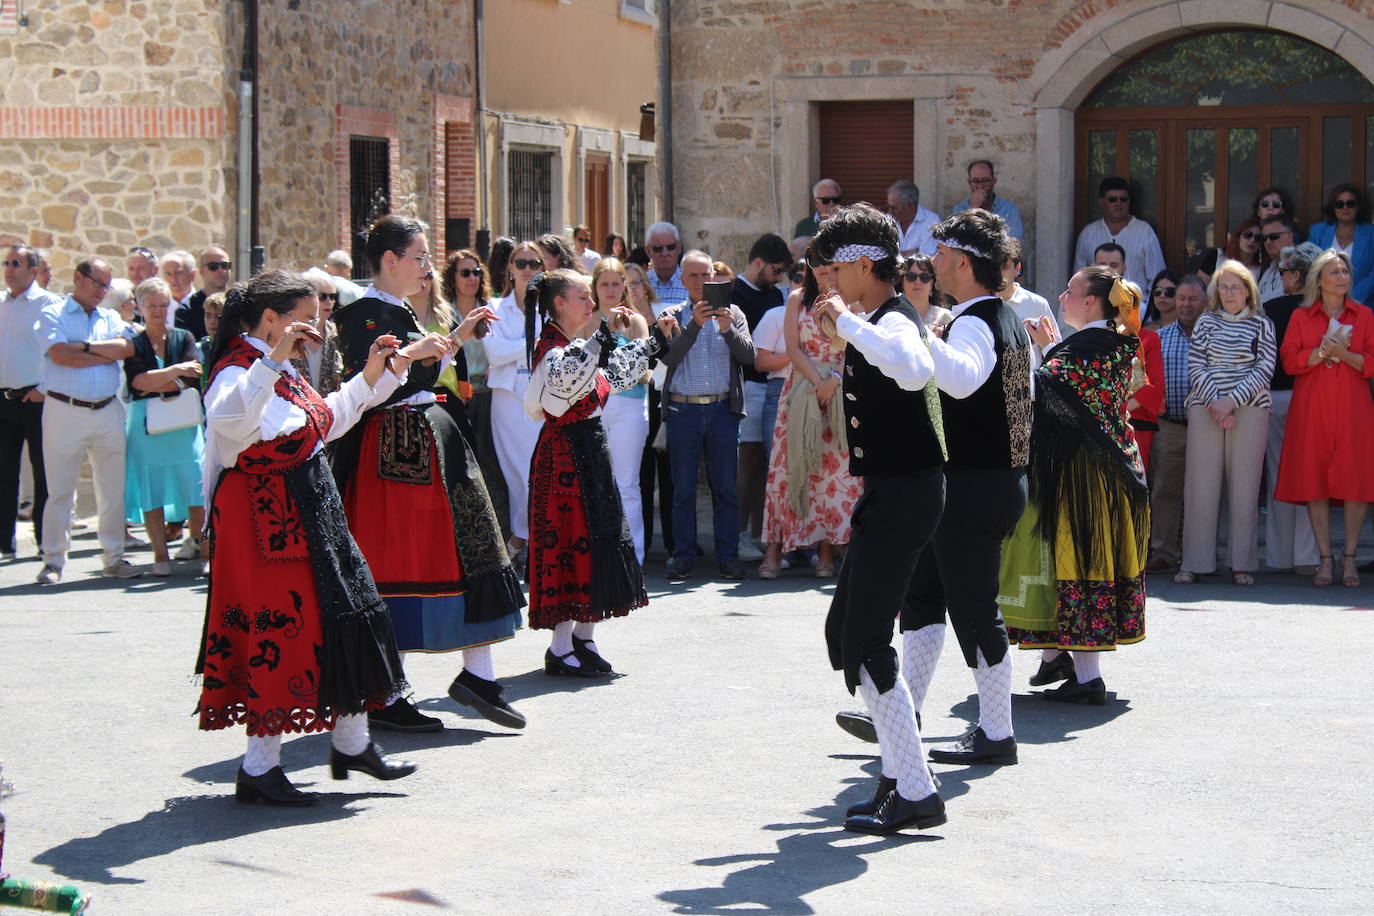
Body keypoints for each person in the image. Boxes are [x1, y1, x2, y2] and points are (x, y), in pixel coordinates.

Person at [197, 268, 417, 806]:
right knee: (282, 635)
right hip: (264, 527)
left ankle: (352, 742)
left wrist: (377, 373)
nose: (314, 327)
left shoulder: (282, 372)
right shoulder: (237, 370)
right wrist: (273, 362)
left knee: (344, 617)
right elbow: (229, 421)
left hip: (312, 514)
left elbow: (325, 422)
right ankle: (258, 767)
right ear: (271, 319)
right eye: (303, 317)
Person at [330, 215, 525, 733]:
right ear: (390, 261)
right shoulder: (363, 315)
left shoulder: (396, 310)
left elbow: (421, 373)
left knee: (473, 546)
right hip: (393, 455)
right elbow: (364, 387)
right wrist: (418, 356)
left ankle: (477, 675)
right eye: (419, 257)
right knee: (402, 562)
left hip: (427, 441)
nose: (428, 267)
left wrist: (452, 340)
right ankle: (386, 692)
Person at [807, 203, 946, 834]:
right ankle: (901, 774)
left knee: (864, 641)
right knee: (847, 632)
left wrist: (848, 327)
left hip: (907, 493)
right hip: (892, 493)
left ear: (865, 265)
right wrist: (846, 328)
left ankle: (913, 788)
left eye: (835, 268)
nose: (827, 281)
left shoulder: (894, 321)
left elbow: (914, 368)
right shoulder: (876, 319)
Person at [903, 209, 1031, 766]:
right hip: (983, 482)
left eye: (938, 258)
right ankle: (902, 712)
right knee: (925, 594)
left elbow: (960, 381)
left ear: (960, 263)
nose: (931, 267)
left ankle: (997, 733)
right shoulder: (999, 317)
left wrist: (919, 336)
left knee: (975, 607)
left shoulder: (977, 321)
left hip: (977, 485)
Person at [1004, 267, 1149, 704]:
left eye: (1071, 290)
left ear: (1090, 301)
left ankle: (1086, 678)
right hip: (1109, 467)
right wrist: (1052, 348)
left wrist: (1044, 349)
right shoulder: (1118, 342)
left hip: (1085, 474)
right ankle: (1058, 658)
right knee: (1071, 562)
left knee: (1078, 562)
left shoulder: (1089, 344)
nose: (1062, 296)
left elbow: (1047, 391)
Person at [523, 269, 663, 676]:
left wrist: (655, 341)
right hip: (564, 456)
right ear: (560, 304)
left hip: (590, 450)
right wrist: (601, 339)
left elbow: (611, 377)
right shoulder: (550, 347)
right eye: (582, 297)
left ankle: (585, 637)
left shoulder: (576, 343)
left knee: (597, 541)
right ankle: (561, 646)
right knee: (570, 546)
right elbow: (565, 386)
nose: (591, 304)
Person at [34, 258, 139, 585]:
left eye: (106, 285)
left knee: (112, 490)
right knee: (60, 490)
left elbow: (126, 349)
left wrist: (85, 347)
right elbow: (60, 355)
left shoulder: (109, 316)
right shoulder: (54, 313)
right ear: (79, 278)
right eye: (98, 283)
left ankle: (113, 556)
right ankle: (53, 560)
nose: (102, 291)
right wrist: (100, 353)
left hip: (106, 410)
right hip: (65, 410)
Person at [1275, 250, 1374, 588]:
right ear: (1319, 279)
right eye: (1334, 271)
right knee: (1315, 480)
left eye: (1345, 270)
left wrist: (1343, 354)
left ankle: (1349, 558)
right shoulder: (1302, 317)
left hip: (1353, 408)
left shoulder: (1364, 315)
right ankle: (1325, 559)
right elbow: (1288, 362)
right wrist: (1319, 353)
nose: (1342, 276)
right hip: (1312, 407)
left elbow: (1372, 362)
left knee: (1355, 483)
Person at [1174, 260, 1276, 586]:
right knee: (1200, 487)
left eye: (1236, 287)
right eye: (1224, 287)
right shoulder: (1205, 322)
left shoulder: (1262, 324)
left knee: (1245, 488)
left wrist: (1231, 402)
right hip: (1205, 406)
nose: (1230, 293)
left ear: (1249, 290)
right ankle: (1195, 562)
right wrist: (1216, 403)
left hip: (1250, 408)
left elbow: (1265, 368)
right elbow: (1196, 364)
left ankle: (1242, 563)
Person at [657, 249, 757, 581]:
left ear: (715, 276)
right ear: (683, 281)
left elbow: (749, 357)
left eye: (707, 274)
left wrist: (727, 329)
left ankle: (727, 555)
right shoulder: (672, 315)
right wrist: (694, 327)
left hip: (722, 409)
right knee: (683, 488)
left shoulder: (734, 313)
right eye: (694, 276)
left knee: (725, 488)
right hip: (683, 408)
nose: (702, 281)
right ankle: (684, 554)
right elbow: (669, 359)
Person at [759, 253, 859, 579]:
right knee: (789, 468)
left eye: (829, 263)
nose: (824, 269)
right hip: (802, 387)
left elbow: (857, 347)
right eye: (818, 263)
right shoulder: (797, 299)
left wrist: (835, 382)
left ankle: (826, 550)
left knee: (831, 472)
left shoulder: (849, 302)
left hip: (839, 388)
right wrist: (818, 382)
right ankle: (775, 548)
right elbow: (792, 347)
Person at [121, 278, 205, 577]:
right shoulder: (134, 342)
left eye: (162, 305)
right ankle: (160, 555)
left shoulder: (183, 336)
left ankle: (203, 551)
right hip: (146, 426)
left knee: (194, 485)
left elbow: (194, 373)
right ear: (140, 307)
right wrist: (174, 373)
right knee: (151, 489)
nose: (158, 311)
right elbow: (136, 382)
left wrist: (159, 381)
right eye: (151, 305)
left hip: (183, 424)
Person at [485, 239, 548, 566]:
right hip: (508, 400)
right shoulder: (495, 308)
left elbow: (553, 351)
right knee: (517, 474)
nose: (527, 270)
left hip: (543, 399)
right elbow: (493, 353)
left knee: (539, 472)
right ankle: (526, 537)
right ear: (510, 268)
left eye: (533, 264)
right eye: (520, 263)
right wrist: (532, 343)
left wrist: (518, 347)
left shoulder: (551, 308)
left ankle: (525, 539)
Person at [1263, 242, 1323, 576]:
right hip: (1306, 396)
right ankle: (1306, 556)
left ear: (1296, 275)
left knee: (1277, 477)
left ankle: (1279, 557)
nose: (1281, 275)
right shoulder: (1322, 308)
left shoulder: (1269, 306)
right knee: (1309, 477)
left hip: (1276, 396)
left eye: (1284, 271)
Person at [732, 234, 792, 563]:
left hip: (771, 389)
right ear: (758, 263)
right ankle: (740, 535)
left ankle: (759, 535)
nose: (779, 277)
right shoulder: (734, 294)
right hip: (746, 388)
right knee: (749, 465)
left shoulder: (774, 296)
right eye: (775, 270)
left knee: (768, 469)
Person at [441, 249, 509, 539]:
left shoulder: (491, 309)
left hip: (489, 393)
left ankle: (501, 530)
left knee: (492, 462)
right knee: (463, 462)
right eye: (465, 272)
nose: (472, 278)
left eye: (476, 272)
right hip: (457, 396)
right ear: (452, 277)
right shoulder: (444, 312)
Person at [1, 245, 60, 559]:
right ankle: (4, 543)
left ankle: (44, 542)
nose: (9, 268)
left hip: (35, 399)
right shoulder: (0, 303)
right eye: (6, 262)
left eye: (17, 263)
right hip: (3, 398)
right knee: (4, 473)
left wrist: (45, 388)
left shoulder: (48, 304)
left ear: (34, 270)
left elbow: (59, 352)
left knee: (43, 473)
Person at [591, 257, 652, 562]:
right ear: (596, 287)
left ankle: (633, 556)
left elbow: (640, 365)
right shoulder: (587, 320)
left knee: (626, 482)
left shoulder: (636, 320)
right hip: (595, 407)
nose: (611, 289)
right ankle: (602, 555)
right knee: (597, 482)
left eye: (617, 283)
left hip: (629, 404)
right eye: (605, 284)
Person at [1145, 275, 1205, 572]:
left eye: (1193, 299)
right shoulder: (1160, 337)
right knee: (1165, 490)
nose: (1186, 304)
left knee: (1207, 493)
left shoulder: (1213, 336)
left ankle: (1205, 555)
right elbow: (1147, 380)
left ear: (1205, 302)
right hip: (1171, 426)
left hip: (1209, 425)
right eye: (1181, 298)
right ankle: (1163, 551)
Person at [625, 261, 673, 556]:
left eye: (637, 282)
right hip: (635, 401)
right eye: (626, 284)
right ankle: (641, 543)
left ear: (646, 284)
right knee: (639, 476)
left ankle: (673, 544)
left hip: (664, 400)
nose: (633, 289)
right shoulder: (621, 319)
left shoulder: (666, 313)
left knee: (668, 475)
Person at [1074, 177, 1166, 294]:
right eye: (1113, 199)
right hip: (1097, 308)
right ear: (1102, 203)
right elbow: (1079, 278)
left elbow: (1157, 278)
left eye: (1123, 199)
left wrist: (1146, 309)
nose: (1118, 203)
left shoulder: (1145, 232)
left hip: (1135, 308)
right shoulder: (1088, 234)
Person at [1307, 184, 1374, 305]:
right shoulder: (1317, 231)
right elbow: (1311, 268)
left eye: (1351, 204)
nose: (1345, 208)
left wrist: (1349, 299)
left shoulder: (1371, 234)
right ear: (1333, 208)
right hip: (1324, 304)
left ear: (1358, 207)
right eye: (1339, 204)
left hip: (1362, 305)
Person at [1000, 239, 1059, 358]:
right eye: (993, 267)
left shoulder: (1037, 304)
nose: (998, 273)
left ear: (1017, 269)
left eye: (1004, 267)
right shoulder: (979, 302)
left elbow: (1055, 351)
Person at [295, 267, 343, 396]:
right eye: (322, 296)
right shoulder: (288, 335)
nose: (329, 302)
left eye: (332, 297)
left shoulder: (338, 335)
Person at [950, 160, 1024, 241]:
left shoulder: (1009, 209)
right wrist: (973, 209)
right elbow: (958, 241)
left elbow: (1012, 244)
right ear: (969, 182)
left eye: (985, 181)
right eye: (975, 181)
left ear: (993, 181)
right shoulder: (959, 210)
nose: (980, 186)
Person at [176, 244, 233, 339]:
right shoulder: (187, 310)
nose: (220, 270)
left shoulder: (240, 303)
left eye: (225, 265)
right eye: (213, 266)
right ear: (201, 270)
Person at [901, 254, 953, 335]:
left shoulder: (945, 317)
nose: (917, 282)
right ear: (902, 281)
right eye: (912, 276)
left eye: (924, 277)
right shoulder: (890, 314)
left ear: (931, 283)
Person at [886, 180, 939, 257]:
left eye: (894, 208)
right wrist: (914, 252)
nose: (890, 212)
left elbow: (925, 258)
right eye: (888, 206)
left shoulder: (931, 221)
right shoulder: (887, 220)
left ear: (910, 205)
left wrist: (895, 256)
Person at [644, 222, 688, 306]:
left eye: (670, 247)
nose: (665, 253)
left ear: (679, 248)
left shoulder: (691, 283)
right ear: (648, 251)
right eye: (658, 248)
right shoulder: (642, 284)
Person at [1256, 216, 1297, 306]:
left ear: (1290, 236)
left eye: (1273, 237)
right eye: (1264, 238)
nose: (1268, 242)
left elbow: (1281, 297)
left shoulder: (1300, 264)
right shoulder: (1271, 267)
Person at [160, 250, 196, 317]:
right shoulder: (158, 307)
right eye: (168, 274)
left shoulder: (203, 304)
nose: (173, 279)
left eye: (178, 273)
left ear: (192, 275)